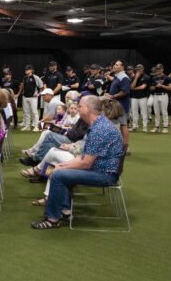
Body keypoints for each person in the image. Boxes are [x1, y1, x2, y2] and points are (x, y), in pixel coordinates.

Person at [31, 95, 123, 229]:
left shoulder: (99, 129)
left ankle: (52, 219)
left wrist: (61, 168)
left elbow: (86, 163)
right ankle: (65, 210)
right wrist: (62, 165)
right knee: (57, 169)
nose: (77, 109)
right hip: (99, 169)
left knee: (58, 174)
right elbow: (84, 157)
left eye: (80, 106)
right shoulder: (98, 124)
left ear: (89, 109)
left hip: (105, 174)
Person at [104, 59, 131, 145]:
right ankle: (115, 145)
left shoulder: (124, 77)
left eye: (117, 65)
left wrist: (112, 96)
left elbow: (125, 91)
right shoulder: (118, 76)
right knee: (113, 125)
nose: (114, 66)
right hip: (115, 104)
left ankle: (126, 147)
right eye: (115, 64)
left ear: (122, 67)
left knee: (123, 125)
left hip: (121, 105)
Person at [149, 66, 171, 133]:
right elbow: (151, 88)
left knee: (164, 112)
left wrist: (162, 86)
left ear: (162, 69)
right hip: (156, 95)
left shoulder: (167, 77)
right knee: (156, 112)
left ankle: (165, 127)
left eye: (159, 69)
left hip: (163, 95)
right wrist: (155, 87)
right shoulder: (154, 78)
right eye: (157, 69)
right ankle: (157, 127)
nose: (158, 70)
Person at [19, 64, 42, 131]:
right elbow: (23, 86)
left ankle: (36, 126)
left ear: (31, 70)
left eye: (28, 69)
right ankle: (27, 126)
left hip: (33, 98)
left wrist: (38, 94)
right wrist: (23, 93)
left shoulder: (36, 77)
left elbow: (41, 87)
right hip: (25, 97)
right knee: (26, 112)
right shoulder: (25, 77)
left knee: (34, 112)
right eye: (25, 69)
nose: (26, 70)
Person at [129, 63, 150, 132]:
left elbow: (143, 87)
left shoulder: (146, 77)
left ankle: (145, 126)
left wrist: (134, 89)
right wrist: (136, 78)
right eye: (137, 69)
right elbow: (131, 86)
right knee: (134, 112)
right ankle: (134, 126)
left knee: (143, 112)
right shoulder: (134, 77)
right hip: (134, 97)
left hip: (143, 97)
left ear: (142, 69)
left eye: (139, 69)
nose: (138, 71)